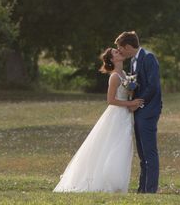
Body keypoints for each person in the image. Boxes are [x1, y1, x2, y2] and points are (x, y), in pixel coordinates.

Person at [53, 48, 144, 193]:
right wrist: (130, 104)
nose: (119, 52)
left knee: (123, 147)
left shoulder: (125, 75)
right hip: (116, 116)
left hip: (125, 116)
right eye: (115, 52)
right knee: (112, 146)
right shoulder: (114, 77)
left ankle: (116, 183)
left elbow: (127, 97)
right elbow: (110, 100)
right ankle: (105, 182)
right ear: (112, 60)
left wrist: (132, 102)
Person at [115, 30, 162, 194]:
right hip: (138, 110)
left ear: (128, 47)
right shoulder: (133, 61)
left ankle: (150, 190)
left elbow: (153, 86)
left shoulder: (148, 58)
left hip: (148, 110)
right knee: (142, 154)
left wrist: (138, 103)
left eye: (120, 48)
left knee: (149, 151)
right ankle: (142, 188)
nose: (119, 52)